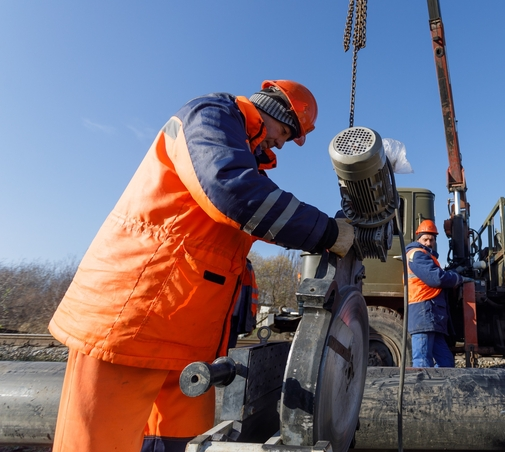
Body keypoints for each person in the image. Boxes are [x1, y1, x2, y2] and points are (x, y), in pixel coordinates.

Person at [47, 79, 354, 452]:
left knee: (183, 444)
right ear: (273, 109)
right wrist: (326, 231)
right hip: (131, 322)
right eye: (286, 132)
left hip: (184, 339)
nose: (281, 144)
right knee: (96, 444)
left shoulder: (244, 158)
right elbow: (234, 193)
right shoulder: (211, 117)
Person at [406, 219, 464, 367]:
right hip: (423, 311)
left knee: (445, 361)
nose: (429, 242)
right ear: (418, 239)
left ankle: (443, 389)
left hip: (432, 314)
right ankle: (422, 390)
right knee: (422, 360)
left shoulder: (427, 256)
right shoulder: (417, 254)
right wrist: (456, 278)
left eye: (432, 239)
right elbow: (436, 278)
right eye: (425, 239)